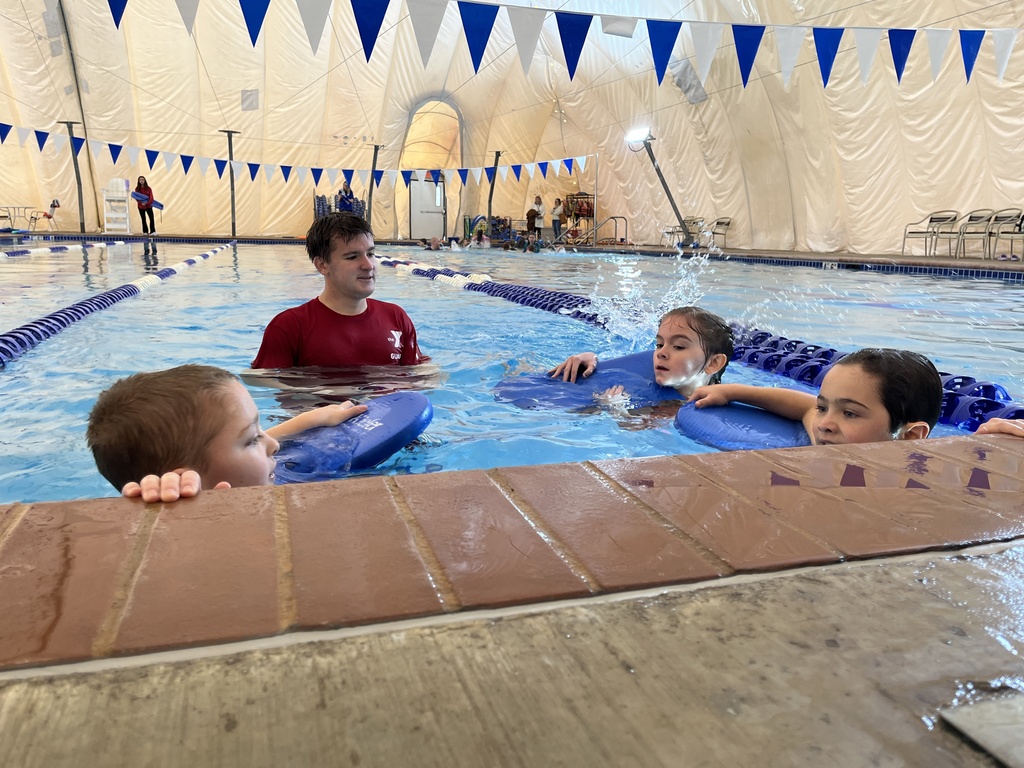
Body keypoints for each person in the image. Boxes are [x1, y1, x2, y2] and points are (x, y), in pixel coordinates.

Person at [87, 364, 368, 502]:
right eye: (252, 439)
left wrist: (313, 418)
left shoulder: (238, 475)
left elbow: (237, 442)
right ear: (191, 482)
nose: (273, 445)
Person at [252, 212, 426, 368]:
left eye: (371, 254)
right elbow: (264, 384)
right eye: (352, 257)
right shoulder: (289, 327)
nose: (368, 265)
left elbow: (420, 374)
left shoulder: (396, 317)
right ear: (322, 265)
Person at [688, 348, 942, 445]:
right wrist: (732, 391)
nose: (823, 424)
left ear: (909, 437)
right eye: (824, 408)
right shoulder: (830, 437)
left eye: (850, 413)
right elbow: (806, 407)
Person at [550, 306, 733, 401]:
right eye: (659, 344)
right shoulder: (647, 376)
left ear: (713, 363)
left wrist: (615, 411)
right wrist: (592, 357)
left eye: (678, 347)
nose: (661, 353)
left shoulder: (704, 404)